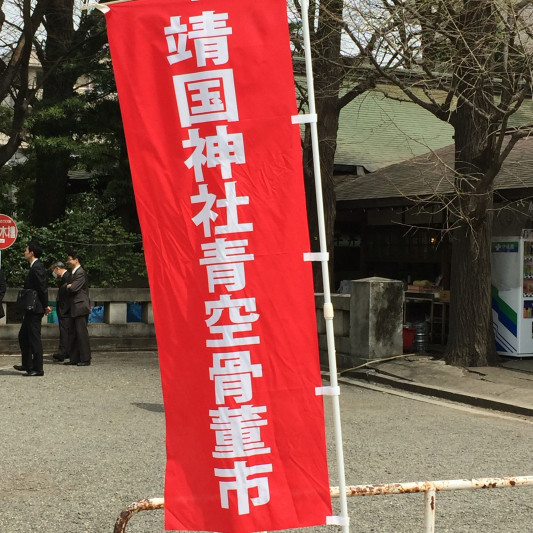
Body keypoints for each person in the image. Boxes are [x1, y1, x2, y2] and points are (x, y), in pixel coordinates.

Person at [14, 242, 50, 377]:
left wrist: (46, 305)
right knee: (23, 336)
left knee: (34, 338)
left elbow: (42, 288)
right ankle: (27, 364)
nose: (24, 252)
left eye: (26, 250)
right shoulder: (33, 267)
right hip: (31, 308)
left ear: (32, 253)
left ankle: (38, 368)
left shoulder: (37, 267)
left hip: (36, 308)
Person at [65, 252, 91, 366]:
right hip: (75, 306)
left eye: (69, 259)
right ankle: (74, 358)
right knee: (73, 333)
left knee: (81, 333)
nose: (68, 262)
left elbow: (74, 288)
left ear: (76, 260)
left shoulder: (80, 273)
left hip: (80, 306)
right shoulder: (74, 273)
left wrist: (69, 286)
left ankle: (85, 358)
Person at [50, 261, 72, 362]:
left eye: (53, 270)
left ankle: (63, 352)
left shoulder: (67, 277)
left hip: (65, 308)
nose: (54, 273)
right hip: (64, 308)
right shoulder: (66, 277)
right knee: (65, 331)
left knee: (64, 331)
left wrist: (63, 309)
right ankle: (65, 351)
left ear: (57, 268)